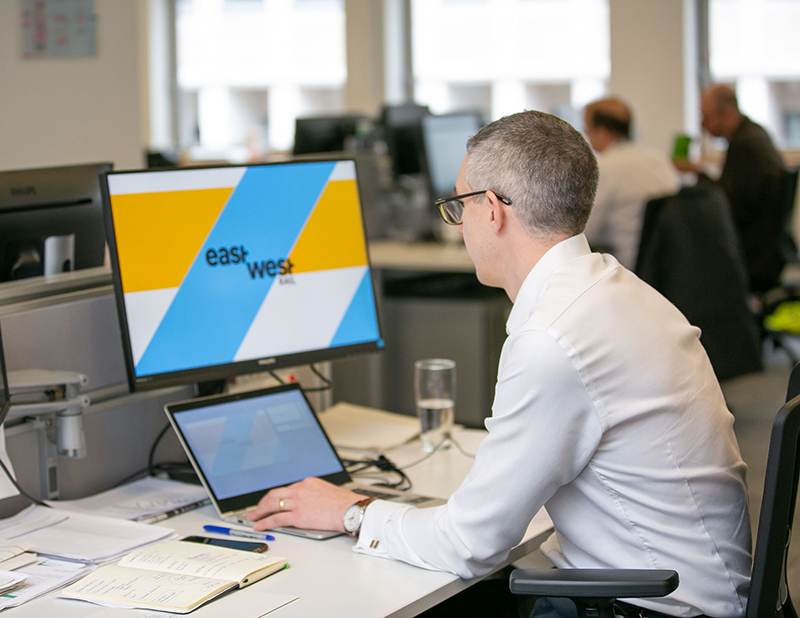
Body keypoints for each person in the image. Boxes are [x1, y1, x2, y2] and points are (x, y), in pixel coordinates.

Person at [248, 111, 751, 618]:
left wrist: (351, 512)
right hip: (691, 591)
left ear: (491, 210)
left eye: (458, 205)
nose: (458, 224)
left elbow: (469, 543)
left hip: (650, 610)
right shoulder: (616, 288)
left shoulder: (551, 337)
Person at [676, 84, 786, 292]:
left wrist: (697, 174)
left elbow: (726, 203)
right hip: (768, 247)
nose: (702, 125)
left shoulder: (745, 145)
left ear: (727, 113)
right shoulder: (755, 134)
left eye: (706, 117)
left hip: (753, 252)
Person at [582, 98, 680, 270]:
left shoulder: (605, 167)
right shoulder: (659, 159)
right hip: (666, 266)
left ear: (602, 132)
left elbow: (587, 230)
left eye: (587, 128)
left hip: (624, 266)